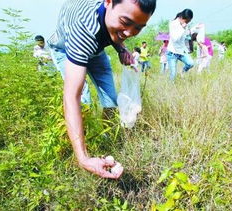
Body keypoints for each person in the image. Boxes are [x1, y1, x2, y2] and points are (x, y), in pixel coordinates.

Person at [47, 0, 156, 179]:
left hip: (96, 51)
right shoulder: (83, 27)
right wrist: (83, 159)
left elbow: (115, 30)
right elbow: (71, 97)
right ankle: (84, 150)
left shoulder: (114, 15)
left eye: (138, 27)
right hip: (65, 49)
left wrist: (121, 49)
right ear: (108, 2)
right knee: (84, 102)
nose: (130, 33)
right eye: (126, 22)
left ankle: (105, 140)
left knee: (111, 101)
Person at [167, 9, 194, 80]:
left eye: (189, 22)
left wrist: (187, 50)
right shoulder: (173, 24)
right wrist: (182, 28)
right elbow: (175, 39)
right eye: (187, 21)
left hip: (181, 51)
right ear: (182, 18)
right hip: (172, 52)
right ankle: (170, 89)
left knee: (190, 63)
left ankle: (182, 73)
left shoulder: (185, 25)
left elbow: (184, 39)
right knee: (173, 74)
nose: (187, 23)